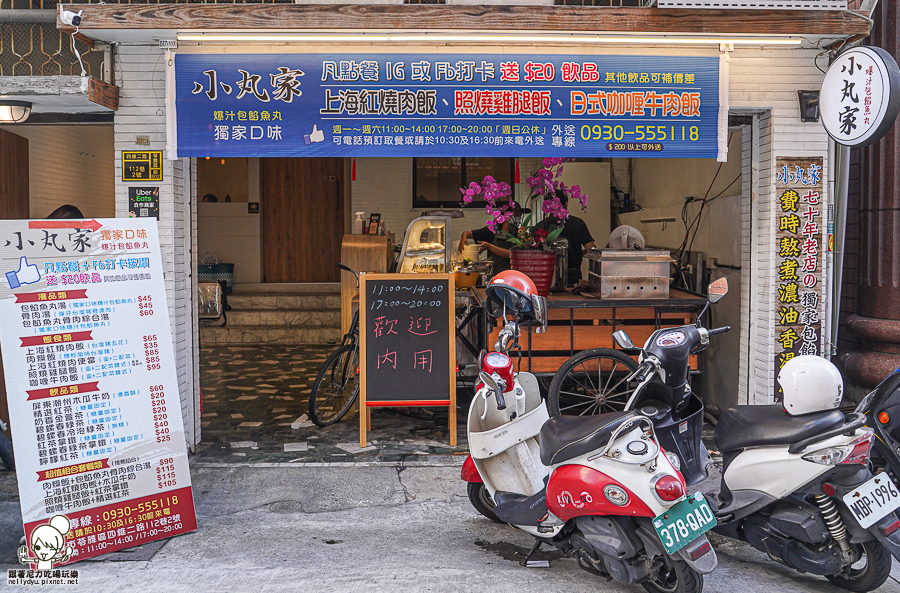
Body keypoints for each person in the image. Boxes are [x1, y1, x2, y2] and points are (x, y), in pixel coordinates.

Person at [539, 190, 596, 284]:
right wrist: (576, 253)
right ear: (566, 203)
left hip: (548, 276)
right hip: (573, 276)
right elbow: (591, 249)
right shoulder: (578, 223)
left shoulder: (542, 225)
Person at [458, 204, 525, 275]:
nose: (518, 217)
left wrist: (489, 246)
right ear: (506, 216)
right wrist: (463, 236)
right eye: (516, 214)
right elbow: (469, 234)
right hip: (493, 274)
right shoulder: (493, 230)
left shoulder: (519, 234)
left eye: (519, 215)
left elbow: (511, 255)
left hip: (510, 274)